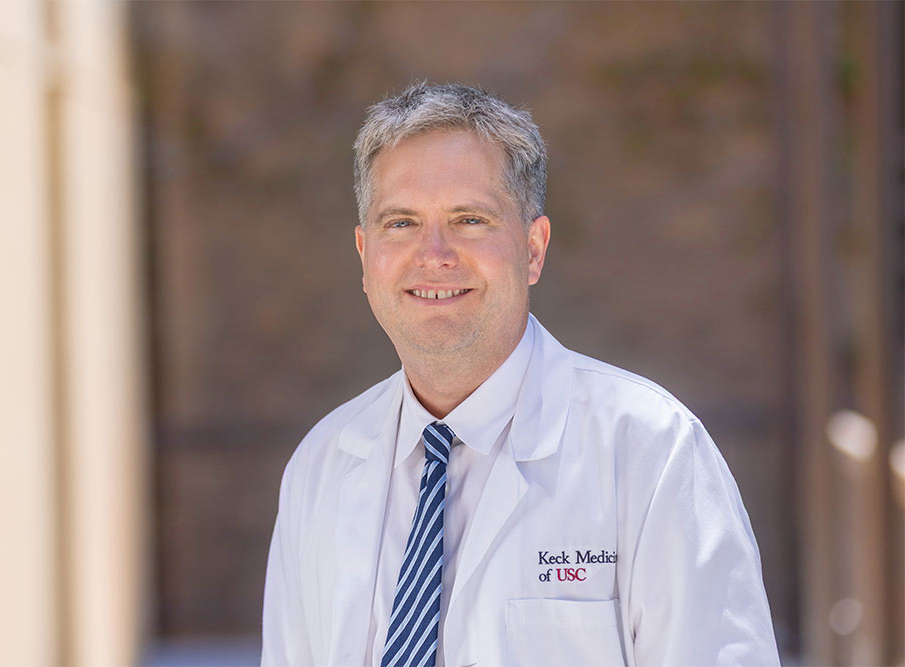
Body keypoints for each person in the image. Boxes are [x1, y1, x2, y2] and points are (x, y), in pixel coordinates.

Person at [261, 82, 779, 667]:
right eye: (400, 223)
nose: (434, 253)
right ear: (364, 255)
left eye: (470, 219)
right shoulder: (320, 467)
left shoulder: (652, 452)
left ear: (533, 249)